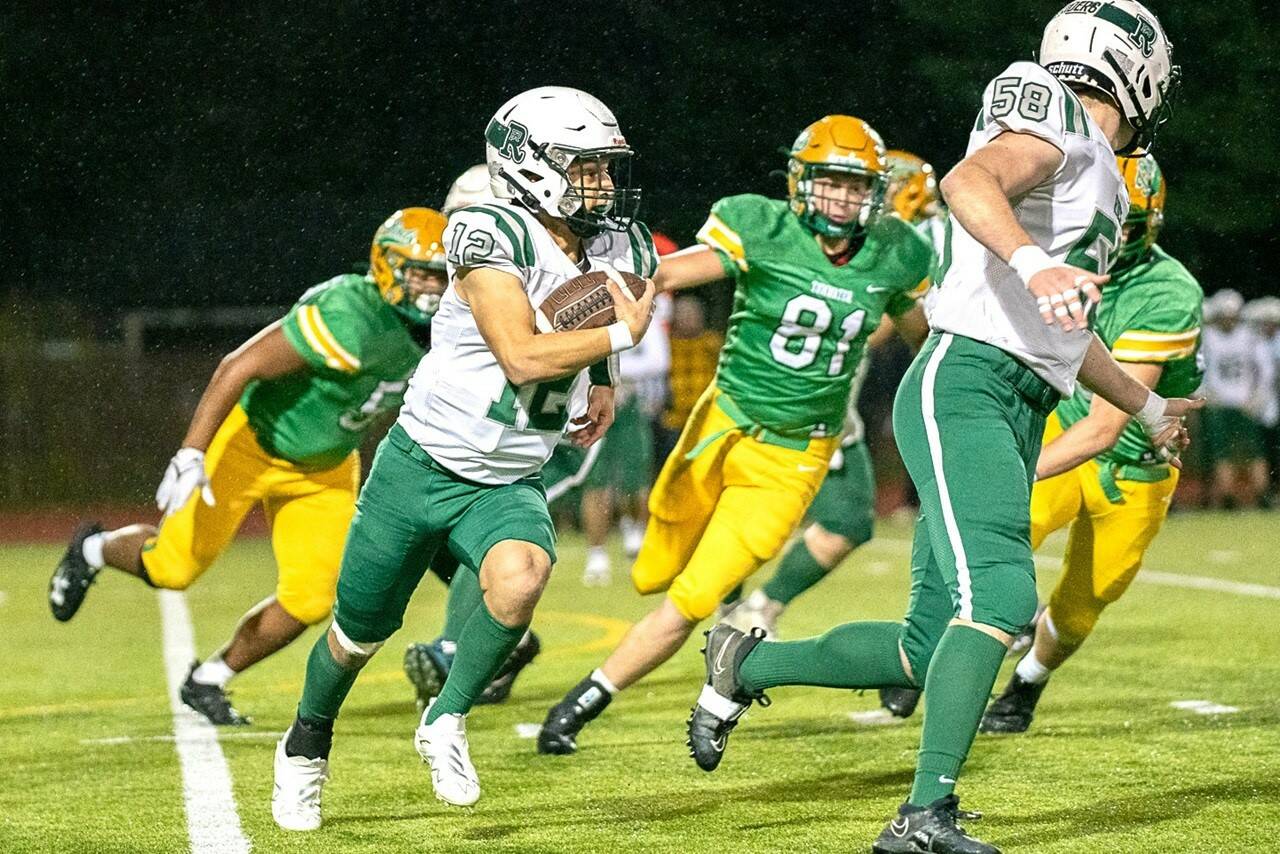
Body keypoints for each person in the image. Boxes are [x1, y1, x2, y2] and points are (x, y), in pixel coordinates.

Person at [683, 5, 1197, 853]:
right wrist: (1034, 265)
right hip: (967, 382)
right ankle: (922, 818)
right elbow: (968, 182)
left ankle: (745, 662)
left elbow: (1065, 333)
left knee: (929, 647)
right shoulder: (1056, 110)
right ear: (1133, 67)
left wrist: (1146, 407)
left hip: (1017, 397)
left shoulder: (1105, 168)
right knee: (1004, 601)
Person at [270, 86, 657, 830]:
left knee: (522, 580)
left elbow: (603, 306)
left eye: (606, 169)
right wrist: (615, 344)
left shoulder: (621, 244)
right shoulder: (486, 231)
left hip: (508, 476)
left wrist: (602, 382)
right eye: (585, 168)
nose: (602, 185)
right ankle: (306, 742)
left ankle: (445, 719)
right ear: (529, 167)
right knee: (355, 639)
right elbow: (521, 353)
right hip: (422, 465)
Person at [537, 114, 934, 757]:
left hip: (796, 455)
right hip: (720, 427)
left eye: (856, 185)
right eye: (829, 182)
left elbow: (924, 341)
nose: (842, 198)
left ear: (874, 191)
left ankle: (584, 699)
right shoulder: (762, 225)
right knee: (654, 571)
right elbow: (663, 277)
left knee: (693, 597)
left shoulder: (900, 253)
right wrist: (580, 304)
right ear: (802, 183)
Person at [47, 208, 446, 725]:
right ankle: (93, 547)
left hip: (324, 467)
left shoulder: (451, 320)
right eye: (422, 272)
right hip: (252, 444)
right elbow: (240, 365)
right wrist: (192, 449)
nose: (433, 288)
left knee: (312, 598)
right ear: (389, 266)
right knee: (172, 568)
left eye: (442, 275)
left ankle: (209, 678)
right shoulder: (349, 312)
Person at [979, 153, 1203, 734]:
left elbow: (1108, 427)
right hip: (1064, 426)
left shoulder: (1168, 290)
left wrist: (1011, 471)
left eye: (1126, 220)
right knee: (990, 534)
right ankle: (921, 655)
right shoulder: (1058, 255)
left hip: (1132, 465)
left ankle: (1026, 683)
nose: (1111, 233)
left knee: (1082, 606)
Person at [722, 150, 936, 639]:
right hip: (797, 406)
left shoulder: (872, 251)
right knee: (763, 516)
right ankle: (732, 606)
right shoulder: (858, 254)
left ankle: (751, 606)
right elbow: (867, 324)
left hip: (828, 412)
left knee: (847, 521)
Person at [1199, 289, 1274, 508]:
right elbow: (1265, 370)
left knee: (1238, 454)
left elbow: (1198, 369)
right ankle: (1240, 497)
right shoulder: (1250, 336)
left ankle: (1247, 497)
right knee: (1238, 454)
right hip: (1233, 403)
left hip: (1232, 403)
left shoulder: (1209, 337)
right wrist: (1258, 397)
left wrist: (1257, 398)